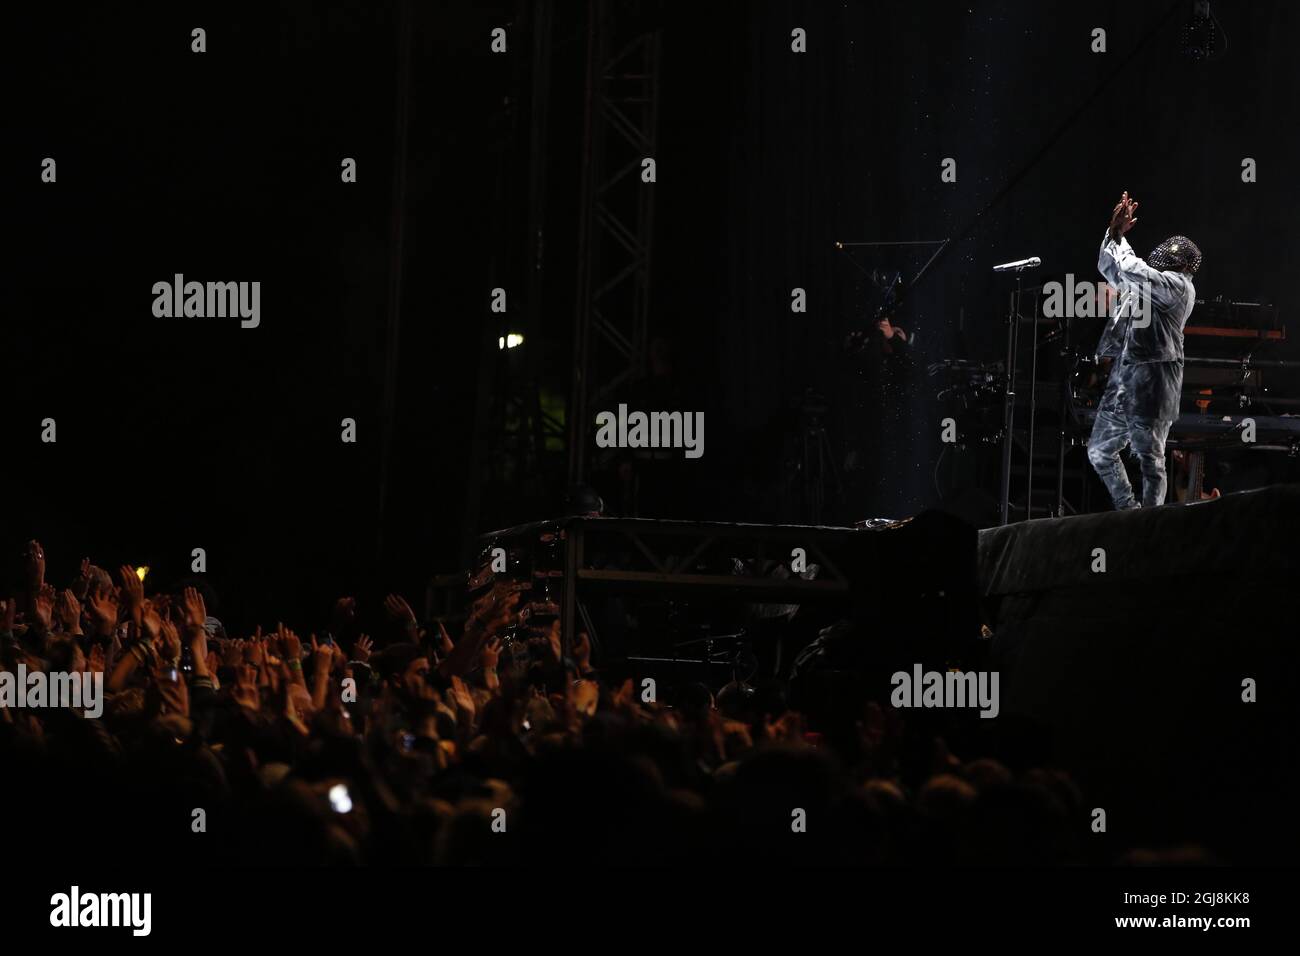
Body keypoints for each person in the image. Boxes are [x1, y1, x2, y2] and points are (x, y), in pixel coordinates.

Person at [1086, 191, 1201, 509]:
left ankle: (1150, 524)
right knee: (1099, 450)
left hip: (1154, 384)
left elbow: (1134, 269)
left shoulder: (1179, 288)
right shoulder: (1148, 283)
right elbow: (1110, 267)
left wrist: (1121, 237)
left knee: (1151, 462)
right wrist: (1112, 233)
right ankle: (1129, 511)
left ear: (1180, 263)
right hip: (1125, 382)